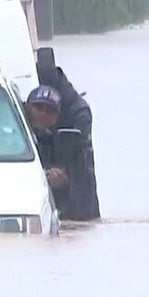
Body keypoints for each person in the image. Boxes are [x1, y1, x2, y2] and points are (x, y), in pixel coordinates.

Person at [24, 85, 100, 221]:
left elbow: (82, 200)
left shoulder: (66, 146)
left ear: (57, 116)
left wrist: (62, 184)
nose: (43, 114)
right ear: (28, 108)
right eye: (39, 108)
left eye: (50, 111)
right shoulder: (15, 137)